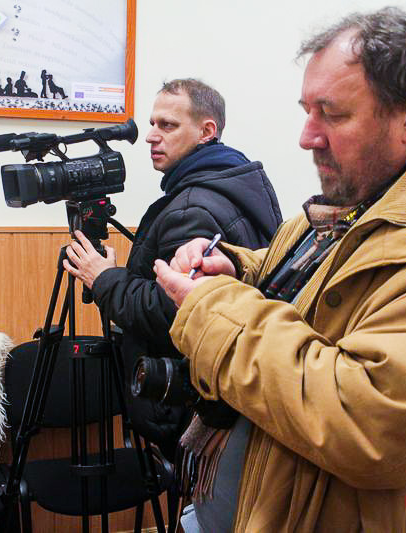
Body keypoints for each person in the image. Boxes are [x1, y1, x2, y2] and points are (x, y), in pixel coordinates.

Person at [154, 8, 406, 532]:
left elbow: (364, 424)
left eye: (331, 114)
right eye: (307, 111)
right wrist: (237, 268)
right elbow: (319, 285)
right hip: (244, 507)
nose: (307, 136)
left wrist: (212, 306)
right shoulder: (368, 192)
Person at [62, 78, 283, 462]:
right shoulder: (237, 181)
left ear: (207, 131)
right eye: (152, 124)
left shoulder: (192, 208)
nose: (151, 136)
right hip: (229, 394)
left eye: (167, 125)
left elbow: (175, 311)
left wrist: (103, 278)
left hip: (187, 404)